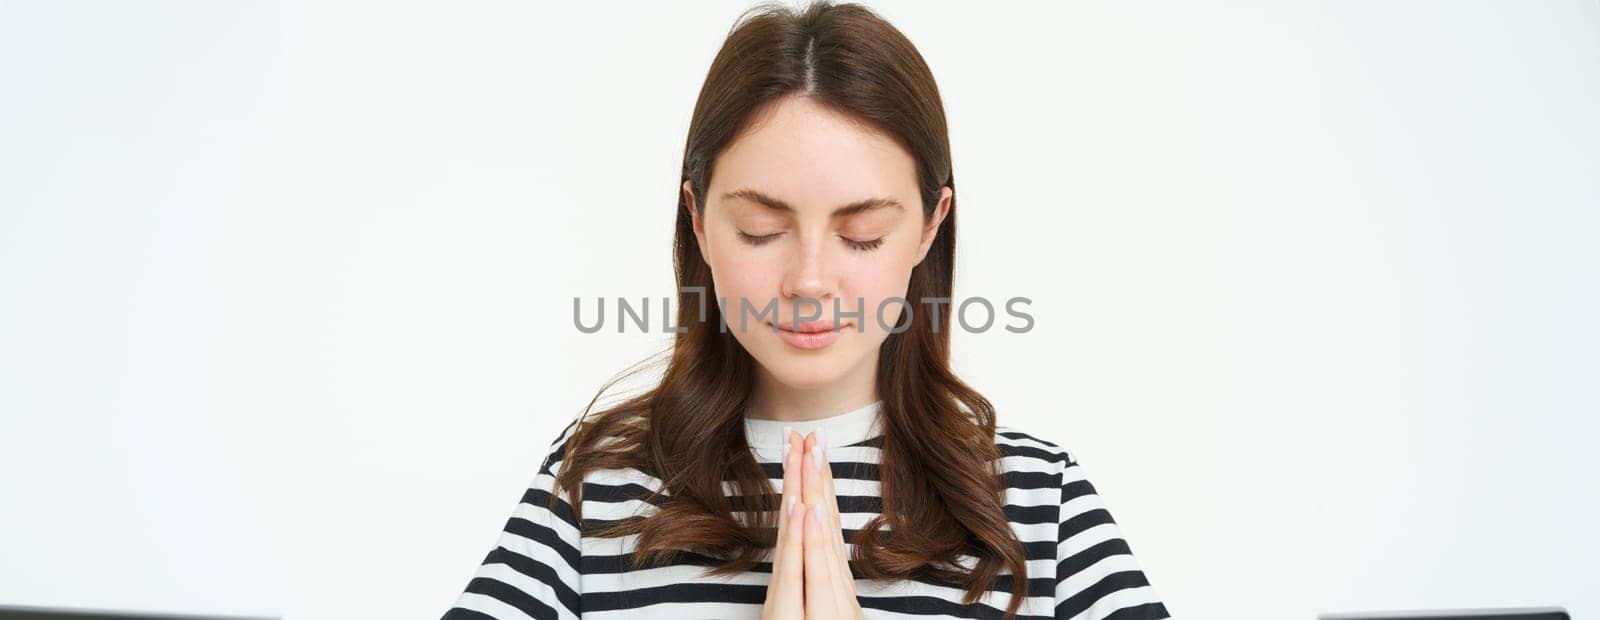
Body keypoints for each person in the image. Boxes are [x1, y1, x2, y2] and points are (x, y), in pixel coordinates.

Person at [443, 2, 1169, 618]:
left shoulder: (1038, 505)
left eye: (862, 236)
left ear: (927, 226)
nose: (810, 282)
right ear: (697, 219)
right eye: (761, 230)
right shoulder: (596, 487)